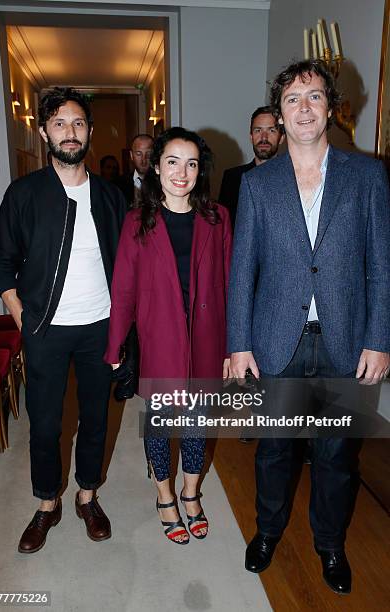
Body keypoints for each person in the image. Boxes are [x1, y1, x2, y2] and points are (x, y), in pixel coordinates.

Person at [227, 60, 390, 594]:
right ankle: (268, 531)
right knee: (274, 449)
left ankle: (330, 544)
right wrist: (238, 344)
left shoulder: (367, 176)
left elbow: (381, 265)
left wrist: (379, 338)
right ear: (279, 113)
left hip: (345, 340)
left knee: (336, 454)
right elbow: (242, 269)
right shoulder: (257, 184)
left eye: (314, 97)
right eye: (293, 99)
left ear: (330, 108)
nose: (304, 108)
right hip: (277, 341)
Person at [0, 87, 127, 553]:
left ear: (89, 131)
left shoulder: (111, 196)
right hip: (45, 327)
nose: (71, 133)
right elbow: (1, 260)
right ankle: (47, 504)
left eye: (79, 124)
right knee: (46, 423)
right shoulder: (25, 193)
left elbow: (128, 265)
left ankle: (88, 496)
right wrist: (19, 313)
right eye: (61, 124)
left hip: (100, 327)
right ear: (45, 130)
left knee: (95, 418)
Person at [105, 127, 232, 544]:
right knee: (160, 426)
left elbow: (231, 284)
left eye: (191, 163)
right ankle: (164, 497)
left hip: (207, 339)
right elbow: (123, 288)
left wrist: (235, 347)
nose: (182, 172)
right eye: (173, 161)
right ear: (156, 167)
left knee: (197, 423)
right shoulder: (137, 222)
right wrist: (115, 344)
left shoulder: (217, 218)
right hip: (159, 337)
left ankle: (191, 493)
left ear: (200, 171)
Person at [218, 106, 284, 226]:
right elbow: (224, 230)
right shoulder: (232, 178)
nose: (264, 138)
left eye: (271, 130)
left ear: (281, 138)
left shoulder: (294, 178)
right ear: (251, 137)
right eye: (258, 130)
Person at [117, 133, 154, 207]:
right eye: (138, 154)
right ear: (131, 155)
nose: (144, 160)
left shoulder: (163, 184)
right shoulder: (118, 185)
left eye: (149, 154)